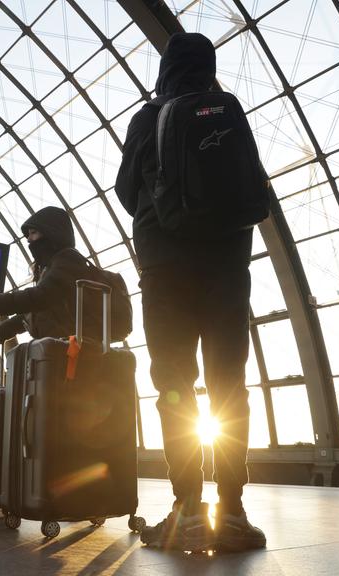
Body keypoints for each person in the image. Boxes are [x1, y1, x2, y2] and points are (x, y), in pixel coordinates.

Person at [114, 32, 266, 552]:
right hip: (228, 270)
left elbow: (126, 190)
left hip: (168, 272)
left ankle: (188, 509)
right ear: (210, 67)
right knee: (230, 386)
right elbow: (252, 192)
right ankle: (236, 510)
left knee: (175, 386)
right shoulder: (228, 114)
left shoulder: (149, 116)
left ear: (166, 68)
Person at [0, 206, 89, 343]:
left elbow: (41, 296)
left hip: (72, 347)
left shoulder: (68, 260)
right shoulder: (53, 265)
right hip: (60, 344)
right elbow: (39, 310)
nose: (29, 239)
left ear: (51, 233)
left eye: (33, 233)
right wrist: (4, 330)